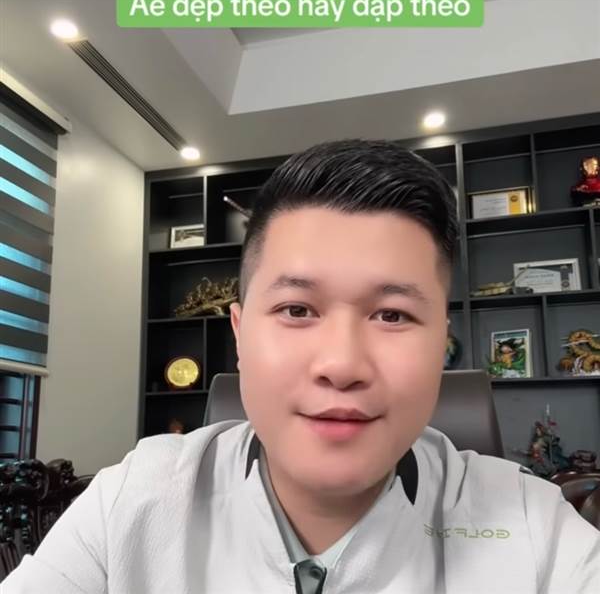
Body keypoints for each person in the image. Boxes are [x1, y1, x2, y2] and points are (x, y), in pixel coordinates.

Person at [3, 140, 599, 593]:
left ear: (441, 343)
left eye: (392, 315)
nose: (341, 365)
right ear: (240, 335)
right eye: (296, 309)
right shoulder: (132, 503)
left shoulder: (534, 529)